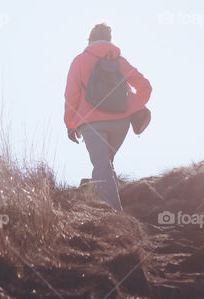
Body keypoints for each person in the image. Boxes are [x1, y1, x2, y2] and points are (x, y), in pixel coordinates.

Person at [64, 22, 152, 211]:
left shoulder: (79, 61)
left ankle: (113, 215)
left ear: (90, 39)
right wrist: (130, 106)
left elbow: (71, 96)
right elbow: (145, 86)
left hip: (91, 122)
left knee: (102, 165)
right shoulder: (119, 60)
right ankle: (104, 202)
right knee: (106, 164)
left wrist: (70, 124)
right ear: (109, 39)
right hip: (121, 121)